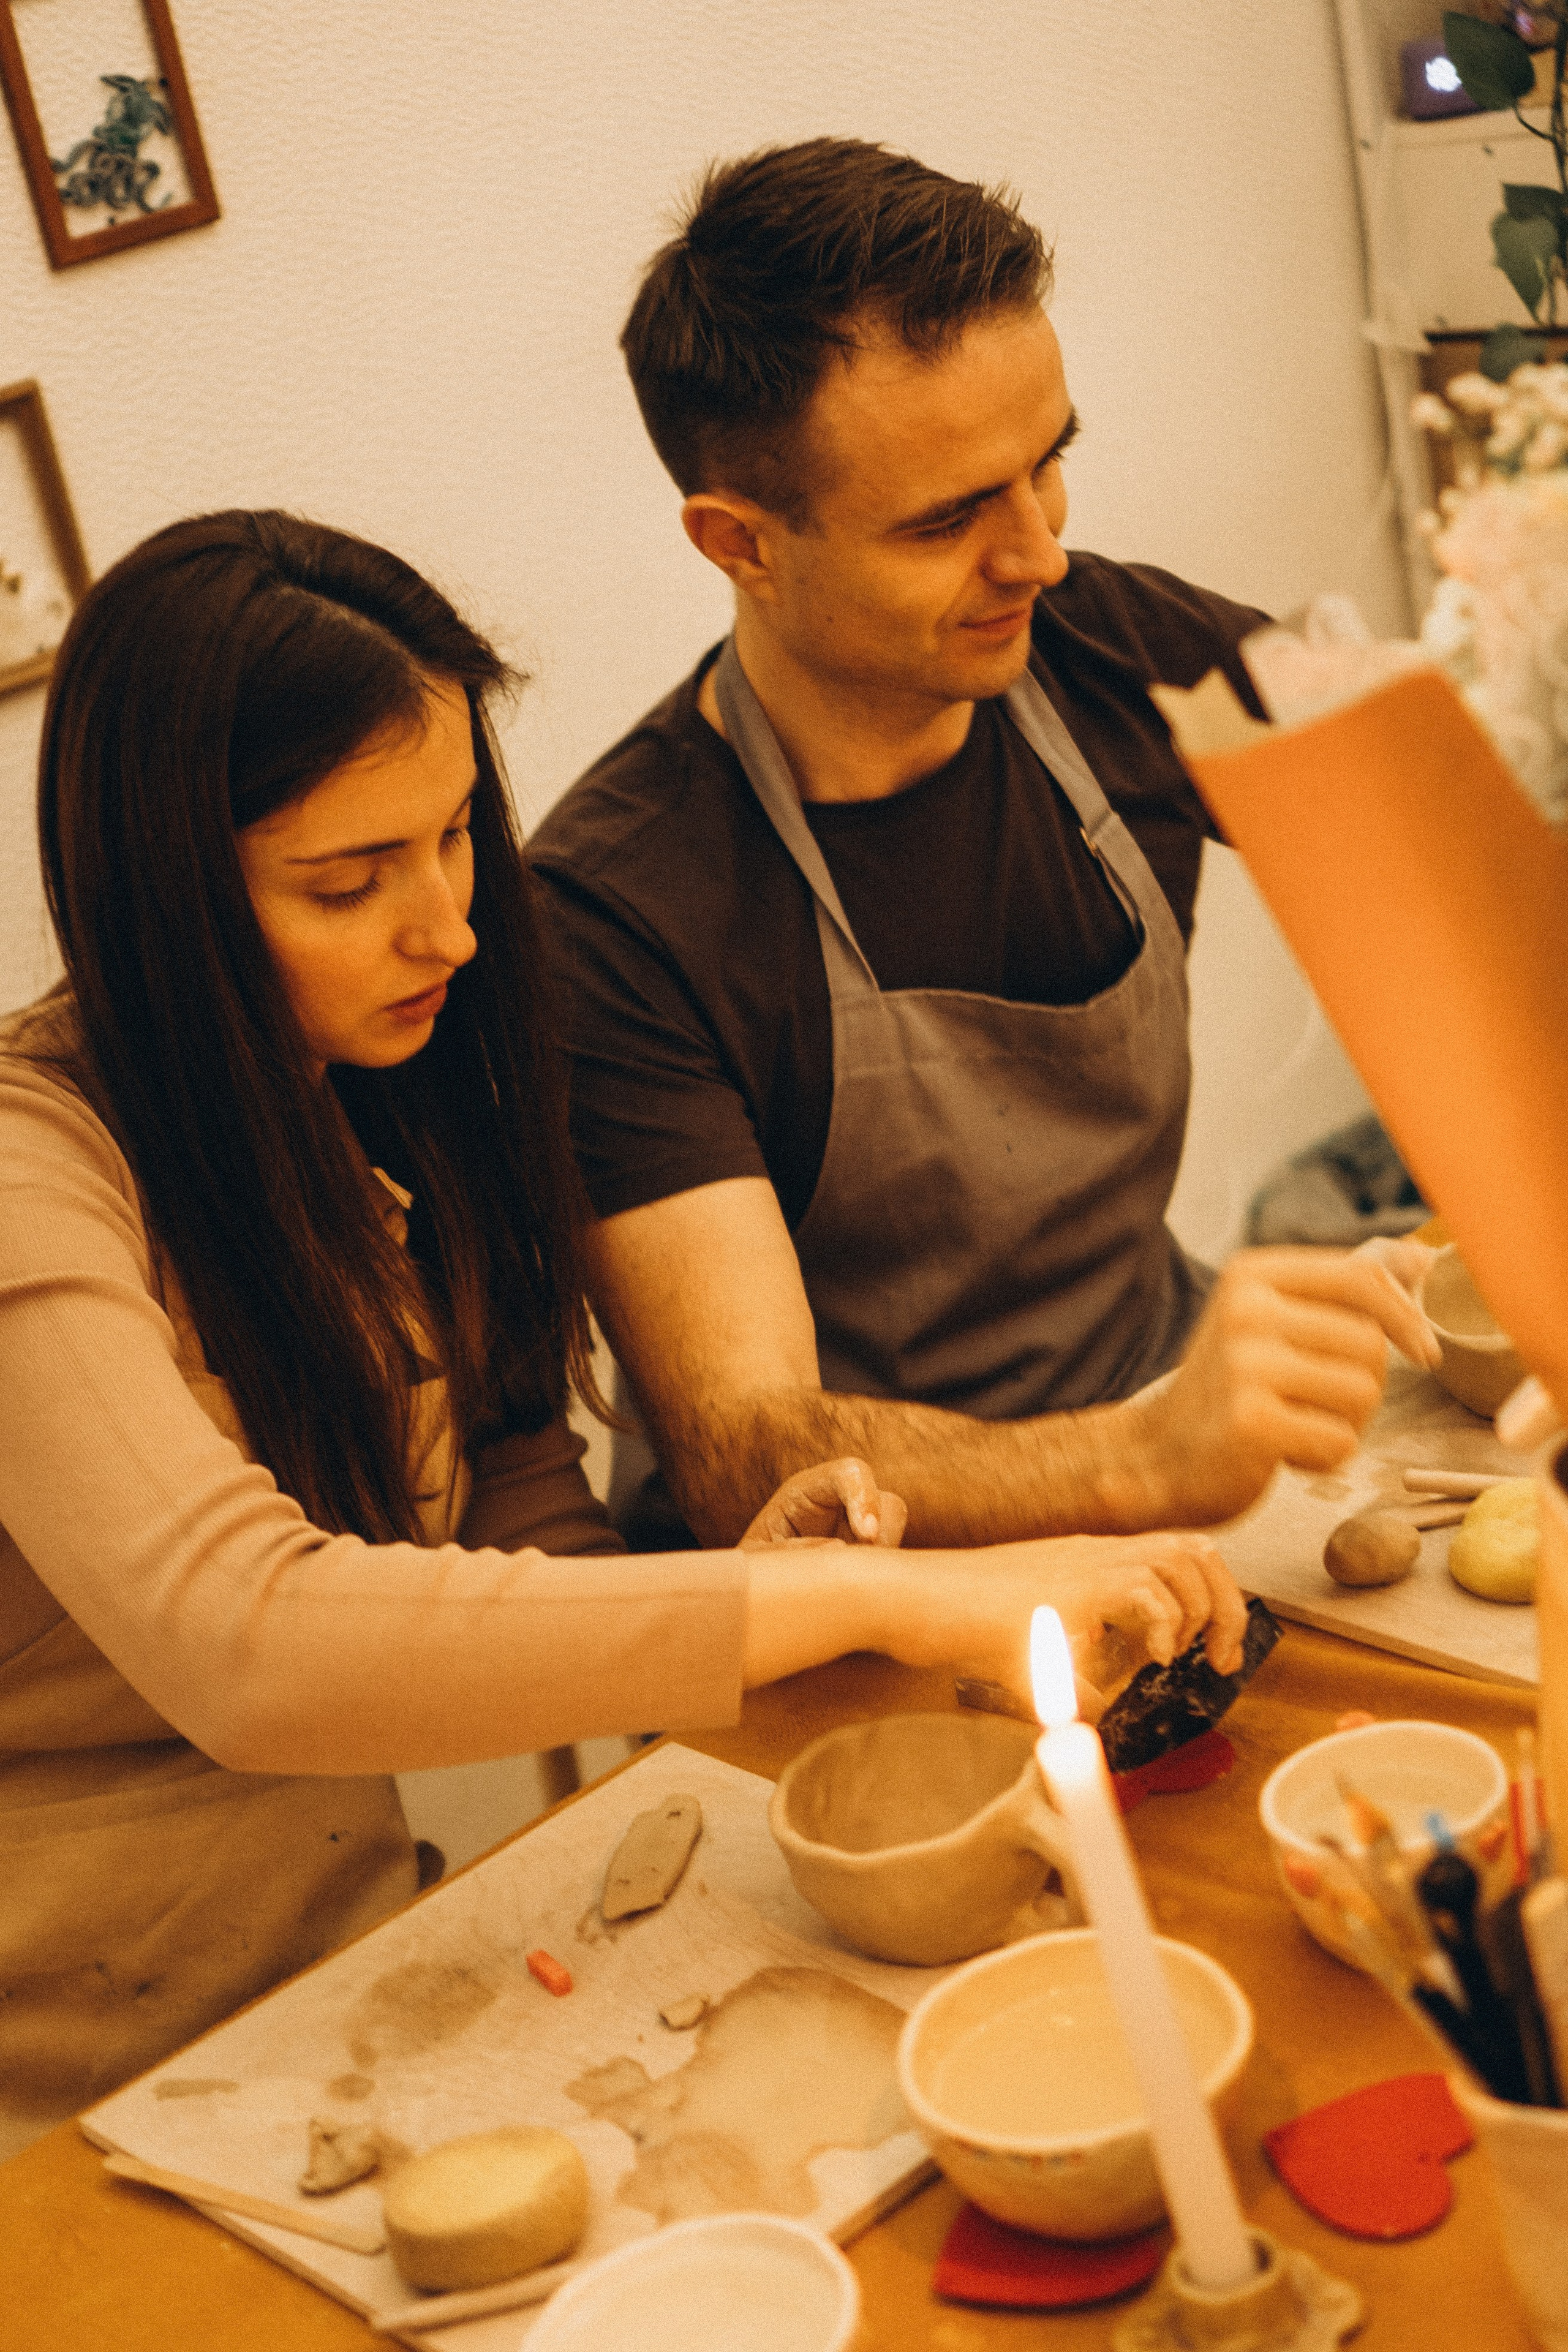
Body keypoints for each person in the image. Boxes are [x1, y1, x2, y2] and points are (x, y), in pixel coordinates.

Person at [0, 510, 1246, 2153]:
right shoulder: (36, 1170)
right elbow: (246, 1644)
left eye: (454, 836)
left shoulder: (402, 1088)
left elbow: (523, 1520)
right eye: (348, 881)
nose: (444, 921)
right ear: (162, 905)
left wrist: (775, 1580)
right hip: (63, 2089)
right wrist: (863, 1595)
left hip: (340, 1986)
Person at [529, 138, 1439, 1553]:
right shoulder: (613, 915)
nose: (1038, 556)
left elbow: (1471, 890)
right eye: (946, 519)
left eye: (1047, 464)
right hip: (855, 1592)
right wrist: (1140, 1456)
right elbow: (745, 1454)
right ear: (739, 542)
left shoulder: (1126, 656)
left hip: (1166, 1441)